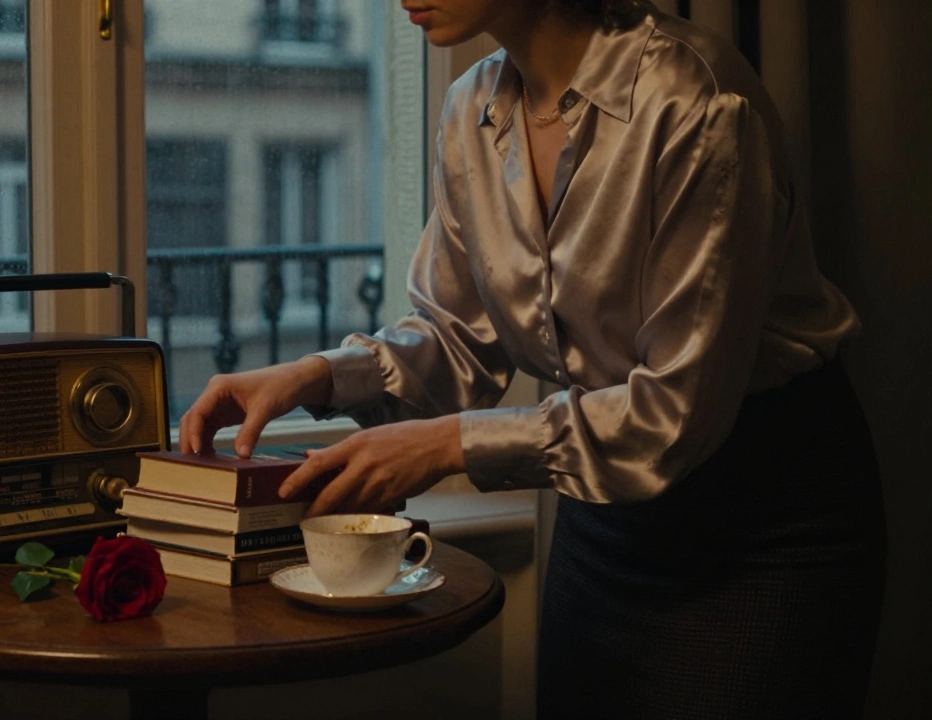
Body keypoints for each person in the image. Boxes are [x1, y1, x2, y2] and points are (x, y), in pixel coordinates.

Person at [178, 0, 887, 717]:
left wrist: (446, 446)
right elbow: (460, 339)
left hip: (762, 518)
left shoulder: (695, 101)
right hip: (605, 521)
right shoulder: (471, 108)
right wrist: (316, 375)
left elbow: (673, 414)